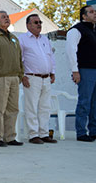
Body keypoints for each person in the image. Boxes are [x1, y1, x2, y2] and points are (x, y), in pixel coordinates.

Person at [66, 5, 96, 142]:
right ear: (84, 16)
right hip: (85, 70)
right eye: (91, 12)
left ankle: (95, 131)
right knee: (84, 102)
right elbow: (70, 51)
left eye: (95, 11)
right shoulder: (76, 30)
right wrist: (75, 70)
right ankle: (81, 132)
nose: (95, 13)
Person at [0, 10, 24, 147]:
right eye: (3, 17)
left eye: (7, 17)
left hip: (14, 77)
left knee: (13, 109)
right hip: (0, 78)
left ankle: (10, 137)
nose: (7, 19)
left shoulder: (14, 38)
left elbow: (19, 57)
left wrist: (20, 74)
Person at [18, 14, 58, 144]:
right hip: (31, 77)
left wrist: (52, 72)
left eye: (40, 22)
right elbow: (19, 59)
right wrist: (22, 75)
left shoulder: (45, 39)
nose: (39, 24)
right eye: (35, 22)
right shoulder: (22, 39)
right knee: (31, 107)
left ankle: (44, 133)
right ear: (28, 25)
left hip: (46, 78)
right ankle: (33, 134)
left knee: (45, 107)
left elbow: (50, 56)